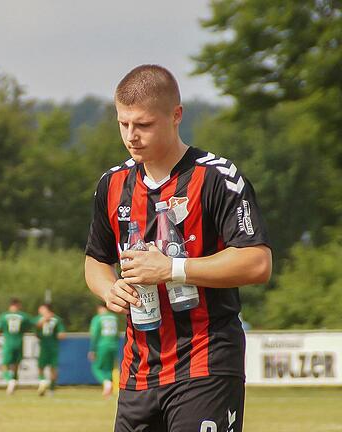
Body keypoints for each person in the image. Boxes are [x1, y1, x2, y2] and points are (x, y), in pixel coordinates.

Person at [83, 64, 271, 432]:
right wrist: (109, 289)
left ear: (176, 116)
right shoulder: (112, 184)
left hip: (206, 361)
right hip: (138, 370)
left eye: (143, 125)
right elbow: (95, 260)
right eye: (123, 124)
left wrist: (173, 269)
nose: (131, 136)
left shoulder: (218, 178)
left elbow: (257, 262)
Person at [0, 298, 34, 395]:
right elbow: (34, 324)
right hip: (19, 343)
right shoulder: (24, 316)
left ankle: (10, 380)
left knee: (5, 365)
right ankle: (14, 383)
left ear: (10, 305)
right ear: (18, 305)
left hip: (8, 343)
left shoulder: (3, 316)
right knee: (16, 365)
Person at [34, 303, 66, 396]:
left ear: (46, 309)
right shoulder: (57, 319)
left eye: (41, 309)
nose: (40, 311)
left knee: (41, 367)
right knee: (53, 368)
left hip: (44, 346)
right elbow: (62, 335)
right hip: (54, 347)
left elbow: (35, 331)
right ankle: (52, 389)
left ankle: (42, 381)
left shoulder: (39, 319)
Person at [88, 304, 119, 397]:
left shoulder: (98, 318)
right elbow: (117, 334)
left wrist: (92, 349)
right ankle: (108, 390)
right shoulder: (114, 317)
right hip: (114, 345)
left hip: (102, 345)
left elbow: (95, 335)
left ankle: (106, 383)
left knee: (96, 367)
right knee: (109, 368)